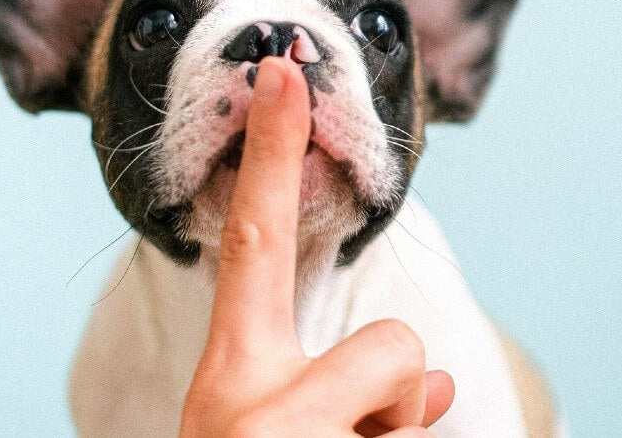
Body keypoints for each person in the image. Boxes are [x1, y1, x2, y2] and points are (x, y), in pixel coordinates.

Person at [179, 57, 455, 437]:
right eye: (159, 26)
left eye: (375, 31)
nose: (283, 63)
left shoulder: (457, 344)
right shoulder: (104, 389)